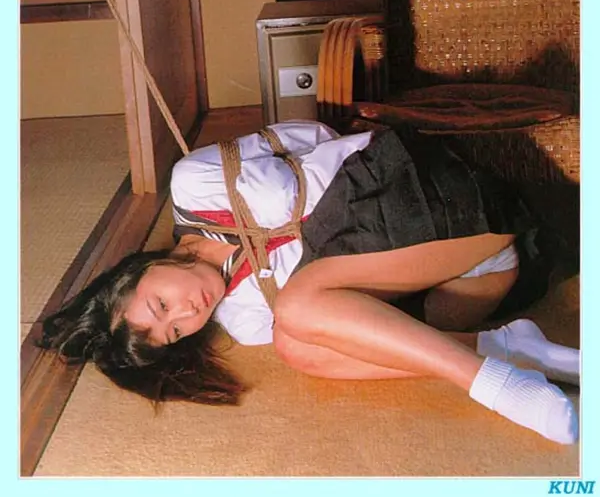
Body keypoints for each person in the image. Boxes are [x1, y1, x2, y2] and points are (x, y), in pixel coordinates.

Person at [41, 120, 579, 444]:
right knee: (295, 346)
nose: (189, 313)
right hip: (468, 282)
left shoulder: (196, 181)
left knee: (295, 309)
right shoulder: (245, 318)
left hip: (437, 203)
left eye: (162, 305)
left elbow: (312, 135)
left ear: (139, 269)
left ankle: (499, 386)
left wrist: (329, 198)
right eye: (176, 332)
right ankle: (506, 347)